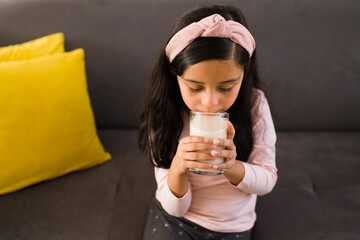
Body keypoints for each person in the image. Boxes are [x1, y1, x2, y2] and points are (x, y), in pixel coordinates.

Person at [138, 5, 277, 240]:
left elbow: (266, 181)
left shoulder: (254, 105)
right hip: (177, 219)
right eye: (194, 87)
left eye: (226, 87)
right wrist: (179, 168)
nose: (210, 103)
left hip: (232, 225)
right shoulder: (165, 111)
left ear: (244, 75)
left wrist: (232, 167)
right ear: (176, 78)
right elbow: (176, 208)